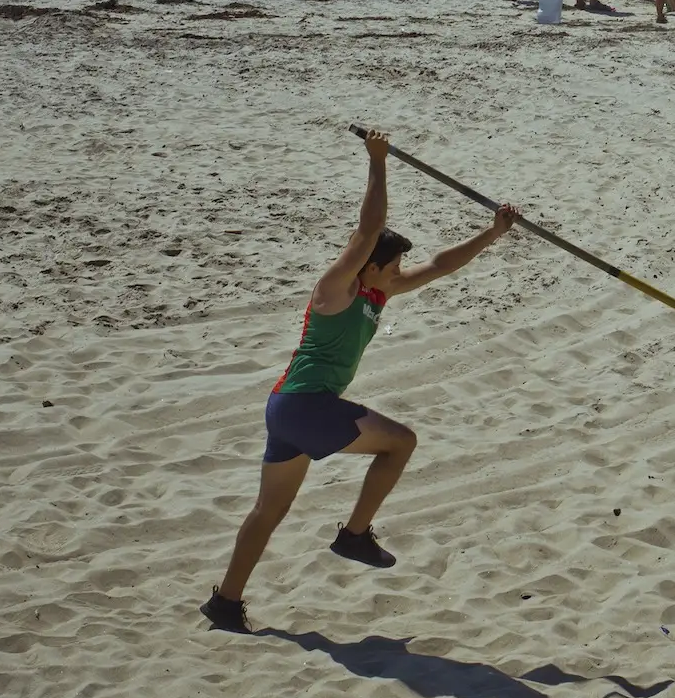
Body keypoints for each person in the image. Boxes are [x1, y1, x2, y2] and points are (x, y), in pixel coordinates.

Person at [202, 130, 518, 633]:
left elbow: (439, 265)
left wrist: (493, 233)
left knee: (269, 510)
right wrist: (378, 161)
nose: (398, 272)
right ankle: (353, 534)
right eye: (391, 265)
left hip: (289, 409)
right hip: (304, 406)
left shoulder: (377, 292)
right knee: (400, 443)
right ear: (369, 264)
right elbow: (367, 230)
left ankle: (225, 603)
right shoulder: (336, 290)